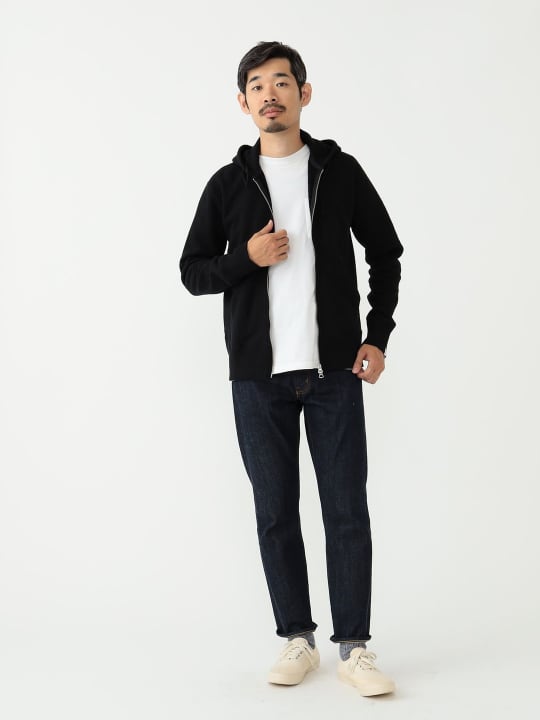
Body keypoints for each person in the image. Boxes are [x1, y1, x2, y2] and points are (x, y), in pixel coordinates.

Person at [179, 41, 403, 697]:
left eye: (281, 82)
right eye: (256, 85)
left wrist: (377, 336)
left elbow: (386, 252)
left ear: (304, 94)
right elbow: (193, 271)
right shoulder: (227, 185)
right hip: (257, 380)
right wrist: (245, 258)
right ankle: (297, 639)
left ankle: (354, 648)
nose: (269, 94)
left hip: (334, 375)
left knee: (347, 513)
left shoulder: (340, 171)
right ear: (243, 102)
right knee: (275, 514)